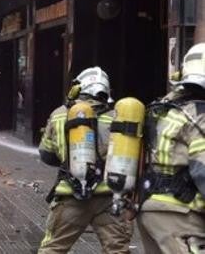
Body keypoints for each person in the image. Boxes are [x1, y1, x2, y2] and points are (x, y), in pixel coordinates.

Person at [37, 67, 132, 253]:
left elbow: (46, 154)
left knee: (53, 249)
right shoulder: (118, 117)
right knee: (117, 250)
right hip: (109, 197)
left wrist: (70, 159)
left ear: (78, 88)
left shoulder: (59, 115)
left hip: (71, 195)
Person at [137, 43, 205, 253]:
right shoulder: (200, 115)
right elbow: (202, 171)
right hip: (180, 216)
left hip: (148, 208)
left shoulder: (165, 108)